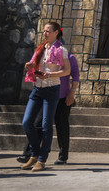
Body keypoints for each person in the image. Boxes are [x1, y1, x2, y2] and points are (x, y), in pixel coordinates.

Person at [19, 21, 71, 172]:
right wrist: (29, 66)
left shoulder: (61, 50)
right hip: (37, 88)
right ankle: (35, 154)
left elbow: (66, 71)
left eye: (48, 31)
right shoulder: (40, 48)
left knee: (46, 125)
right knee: (27, 122)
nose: (45, 33)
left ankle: (42, 159)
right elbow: (34, 64)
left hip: (51, 88)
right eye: (44, 31)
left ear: (56, 33)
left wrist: (50, 74)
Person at [17, 48, 79, 164]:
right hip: (47, 95)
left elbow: (75, 76)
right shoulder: (45, 57)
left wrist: (71, 93)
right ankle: (28, 154)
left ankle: (63, 156)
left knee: (62, 126)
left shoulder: (70, 58)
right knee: (37, 124)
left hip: (62, 98)